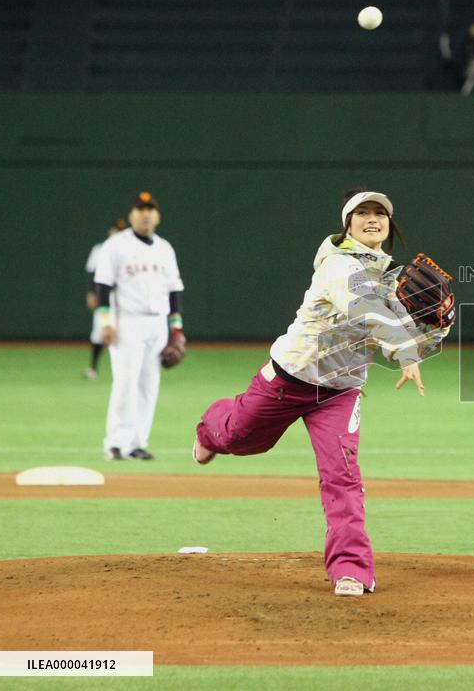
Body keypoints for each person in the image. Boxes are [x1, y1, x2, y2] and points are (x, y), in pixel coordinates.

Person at [192, 190, 453, 598]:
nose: (372, 219)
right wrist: (404, 351)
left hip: (340, 392)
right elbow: (364, 311)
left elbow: (408, 340)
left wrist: (438, 327)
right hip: (290, 377)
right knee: (239, 437)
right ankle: (210, 429)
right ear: (347, 223)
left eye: (380, 213)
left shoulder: (392, 278)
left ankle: (351, 569)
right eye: (362, 213)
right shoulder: (337, 265)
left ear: (389, 224)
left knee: (343, 476)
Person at [93, 192, 185, 461]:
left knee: (148, 384)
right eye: (141, 209)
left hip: (157, 322)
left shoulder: (164, 248)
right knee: (125, 383)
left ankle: (136, 443)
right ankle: (115, 443)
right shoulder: (116, 246)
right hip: (127, 322)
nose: (146, 214)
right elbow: (103, 286)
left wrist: (176, 329)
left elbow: (174, 291)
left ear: (157, 216)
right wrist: (106, 322)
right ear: (132, 214)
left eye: (150, 209)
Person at [84, 219, 127, 380]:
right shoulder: (100, 249)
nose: (118, 233)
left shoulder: (131, 250)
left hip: (124, 298)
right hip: (104, 296)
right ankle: (93, 368)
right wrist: (91, 293)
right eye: (116, 230)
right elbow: (91, 273)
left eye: (121, 231)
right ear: (110, 232)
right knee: (98, 331)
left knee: (126, 333)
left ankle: (124, 371)